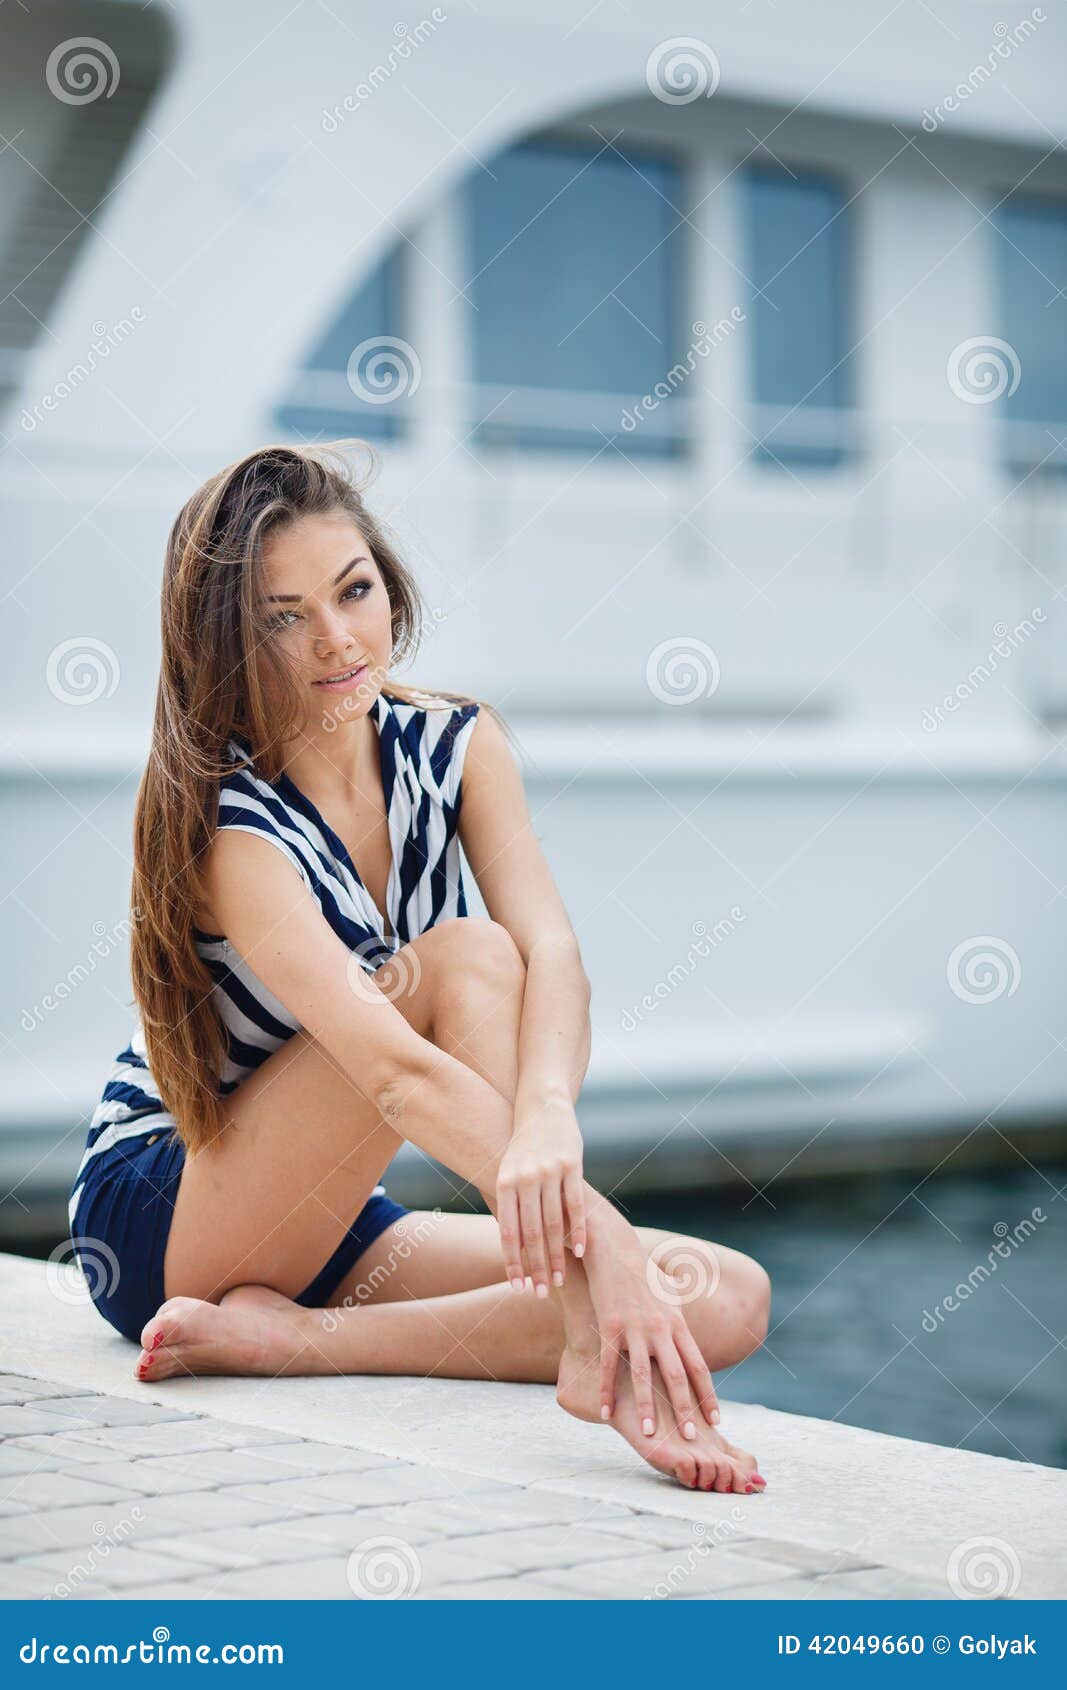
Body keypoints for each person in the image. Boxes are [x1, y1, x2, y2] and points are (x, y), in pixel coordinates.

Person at [68, 441, 770, 1495]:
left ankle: (292, 1341)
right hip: (169, 1206)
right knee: (459, 961)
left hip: (326, 1212)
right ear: (230, 638)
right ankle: (585, 1319)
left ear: (386, 584)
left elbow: (554, 953)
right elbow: (391, 1071)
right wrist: (601, 1242)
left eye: (353, 590)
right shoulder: (233, 829)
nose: (337, 638)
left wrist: (544, 1121)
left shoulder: (457, 742)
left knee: (721, 1294)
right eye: (283, 614)